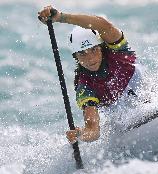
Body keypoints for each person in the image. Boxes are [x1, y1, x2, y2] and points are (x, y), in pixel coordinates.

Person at [38, 6, 142, 144]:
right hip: (128, 129)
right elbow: (93, 131)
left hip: (155, 104)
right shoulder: (85, 86)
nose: (90, 59)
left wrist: (62, 17)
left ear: (102, 47)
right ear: (75, 57)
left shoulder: (118, 52)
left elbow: (104, 25)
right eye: (82, 54)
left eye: (94, 50)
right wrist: (80, 134)